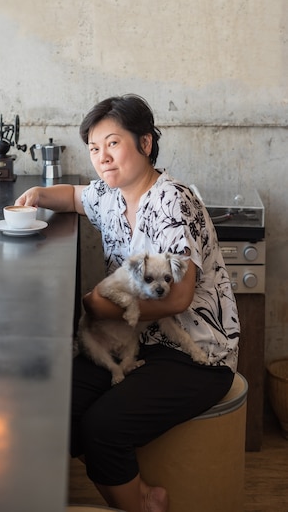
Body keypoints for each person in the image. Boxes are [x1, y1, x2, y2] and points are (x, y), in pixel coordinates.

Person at [15, 94, 239, 512]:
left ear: (146, 143)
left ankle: (143, 502)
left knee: (102, 426)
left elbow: (179, 297)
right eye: (95, 149)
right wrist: (38, 196)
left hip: (194, 354)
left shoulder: (173, 200)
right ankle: (134, 492)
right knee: (54, 404)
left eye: (113, 144)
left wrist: (101, 309)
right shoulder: (110, 196)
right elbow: (76, 196)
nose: (103, 158)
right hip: (134, 343)